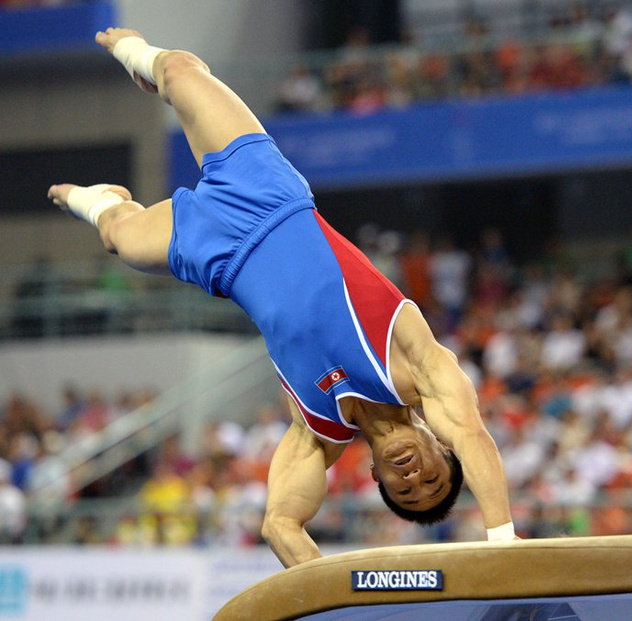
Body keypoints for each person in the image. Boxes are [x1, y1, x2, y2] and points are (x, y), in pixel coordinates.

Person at [47, 28, 515, 567]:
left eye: (405, 490)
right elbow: (475, 433)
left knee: (117, 238)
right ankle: (138, 57)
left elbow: (280, 526)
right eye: (432, 476)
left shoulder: (314, 434)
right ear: (441, 443)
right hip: (269, 195)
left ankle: (100, 200)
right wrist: (501, 540)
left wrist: (327, 597)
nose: (414, 477)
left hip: (220, 257)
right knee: (179, 73)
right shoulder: (418, 368)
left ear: (375, 476)